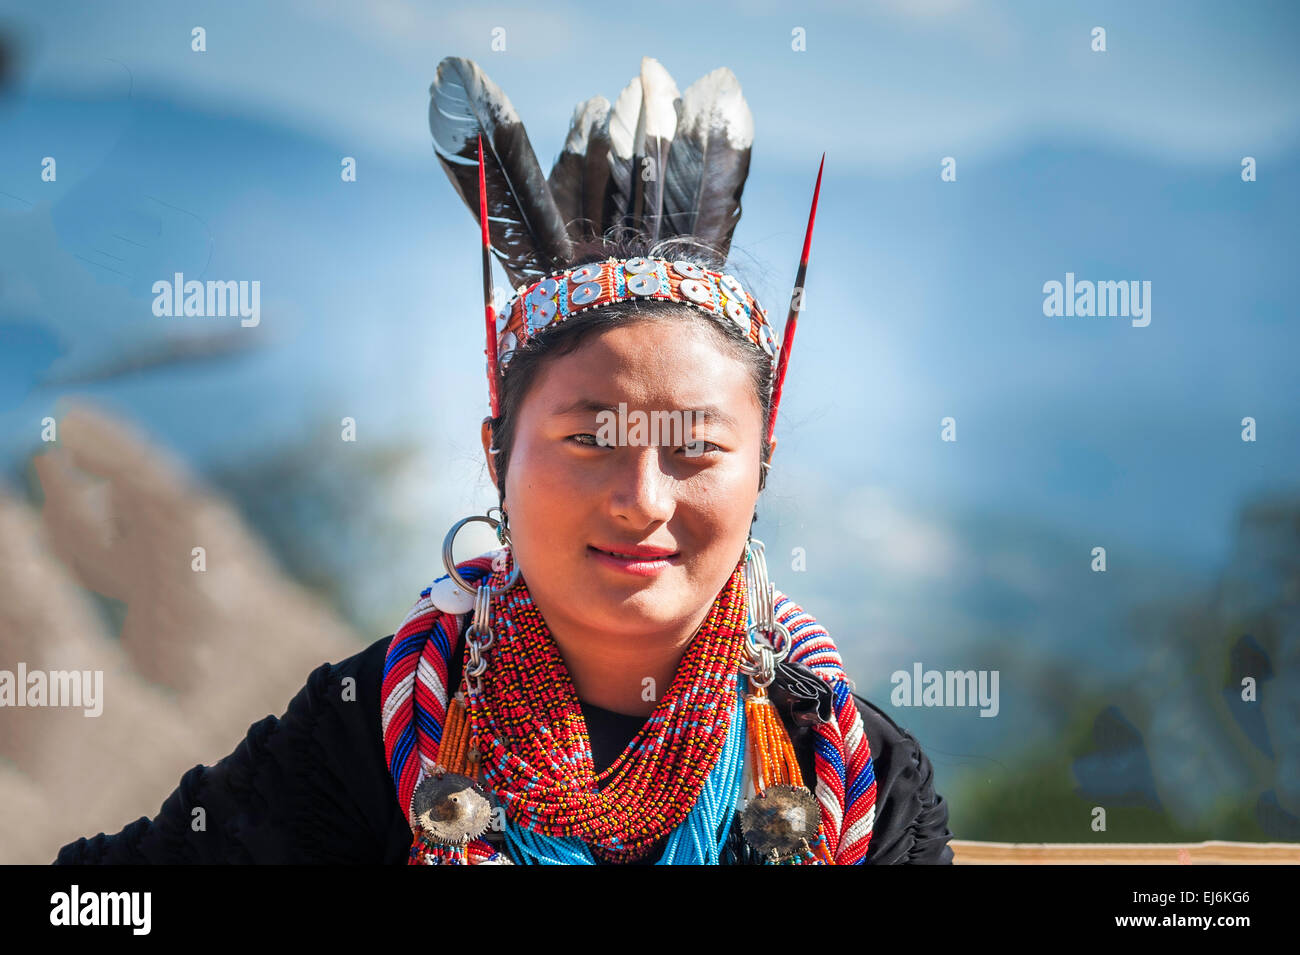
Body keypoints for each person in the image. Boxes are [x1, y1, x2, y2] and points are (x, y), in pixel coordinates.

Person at [55, 55, 954, 866]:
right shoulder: (364, 732)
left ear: (759, 471)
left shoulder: (854, 771)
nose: (642, 499)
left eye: (698, 449)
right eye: (589, 437)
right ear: (498, 454)